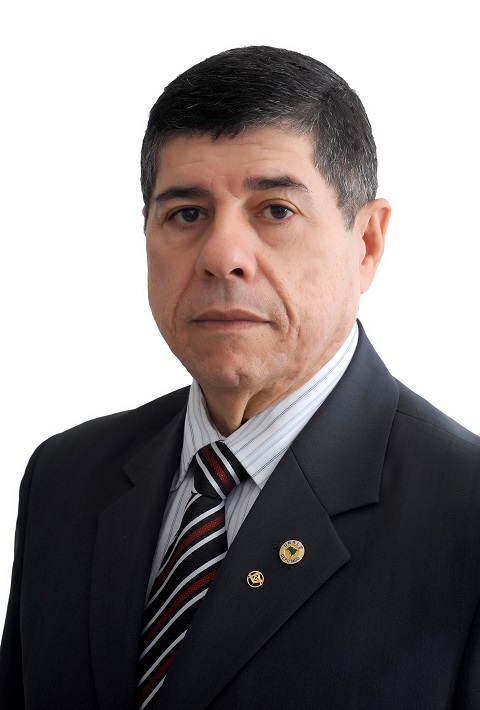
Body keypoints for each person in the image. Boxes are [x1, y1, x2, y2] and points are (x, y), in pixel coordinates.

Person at [1, 45, 479, 710]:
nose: (222, 256)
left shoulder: (464, 515)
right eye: (186, 214)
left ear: (367, 244)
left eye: (275, 210)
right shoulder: (64, 478)